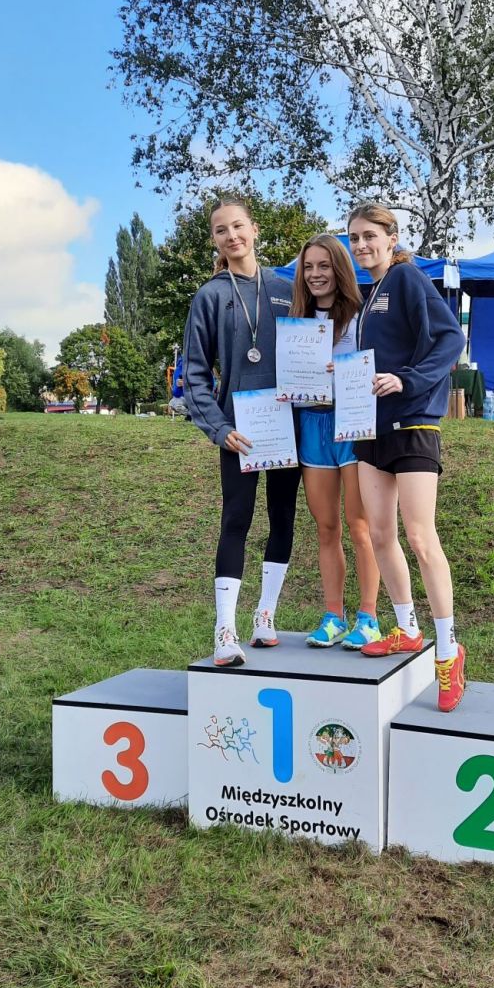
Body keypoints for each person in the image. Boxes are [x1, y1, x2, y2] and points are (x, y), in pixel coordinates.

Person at [346, 202, 467, 713]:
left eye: (369, 236)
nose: (361, 245)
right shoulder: (367, 293)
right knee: (379, 535)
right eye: (354, 237)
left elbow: (451, 338)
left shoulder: (407, 278)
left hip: (414, 423)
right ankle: (407, 629)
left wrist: (408, 380)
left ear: (391, 237)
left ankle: (448, 651)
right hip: (369, 427)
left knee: (420, 536)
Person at [183, 198, 302, 665]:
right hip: (239, 432)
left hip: (286, 426)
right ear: (214, 240)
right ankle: (225, 630)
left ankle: (265, 615)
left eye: (237, 226)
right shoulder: (209, 296)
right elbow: (194, 374)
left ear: (254, 230)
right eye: (220, 230)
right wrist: (219, 428)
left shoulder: (287, 289)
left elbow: (312, 350)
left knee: (283, 518)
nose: (231, 236)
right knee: (236, 521)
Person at [290, 234, 383, 649]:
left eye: (324, 266)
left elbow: (377, 365)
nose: (315, 274)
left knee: (360, 525)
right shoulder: (296, 320)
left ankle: (369, 617)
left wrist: (344, 367)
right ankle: (333, 617)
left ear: (339, 269)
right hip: (312, 423)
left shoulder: (361, 315)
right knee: (326, 527)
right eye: (309, 267)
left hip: (353, 423)